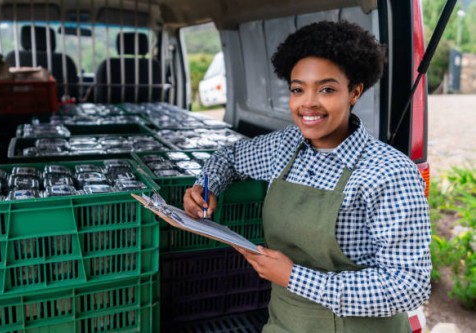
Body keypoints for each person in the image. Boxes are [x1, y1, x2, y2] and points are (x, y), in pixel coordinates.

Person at [183, 20, 431, 333]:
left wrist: (293, 277)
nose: (308, 103)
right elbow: (228, 157)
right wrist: (205, 187)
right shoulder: (284, 147)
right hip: (285, 324)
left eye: (326, 89)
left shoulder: (389, 172)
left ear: (354, 92)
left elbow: (408, 285)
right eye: (298, 89)